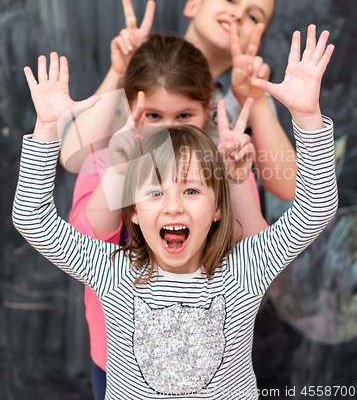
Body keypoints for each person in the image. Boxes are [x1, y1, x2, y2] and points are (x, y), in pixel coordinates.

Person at [13, 25, 338, 400]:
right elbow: (31, 218)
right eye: (154, 191)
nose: (173, 205)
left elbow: (316, 207)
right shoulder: (110, 270)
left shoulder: (247, 266)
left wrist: (308, 116)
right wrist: (46, 127)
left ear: (219, 208)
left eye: (191, 190)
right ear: (131, 212)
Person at [68, 34, 265, 399]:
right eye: (153, 116)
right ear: (129, 110)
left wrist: (236, 180)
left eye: (184, 115)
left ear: (208, 108)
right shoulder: (105, 164)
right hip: (122, 359)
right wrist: (120, 171)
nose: (169, 128)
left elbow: (257, 249)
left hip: (212, 367)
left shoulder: (224, 170)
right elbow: (86, 240)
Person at [61, 0, 298, 201]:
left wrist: (255, 101)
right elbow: (73, 157)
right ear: (193, 5)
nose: (238, 13)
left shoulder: (252, 97)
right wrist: (120, 71)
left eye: (254, 16)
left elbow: (287, 188)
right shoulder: (148, 73)